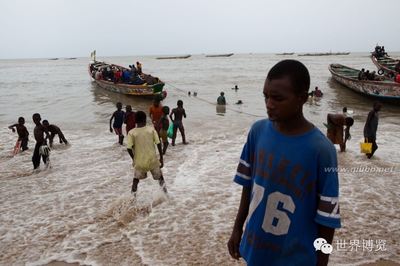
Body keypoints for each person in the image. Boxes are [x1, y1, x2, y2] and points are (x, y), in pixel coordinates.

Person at [227, 60, 341, 266]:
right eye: (266, 96)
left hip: (295, 257)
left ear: (302, 98)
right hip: (255, 250)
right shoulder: (257, 132)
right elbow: (248, 186)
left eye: (278, 98)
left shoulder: (322, 150)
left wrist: (321, 262)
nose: (269, 104)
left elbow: (327, 218)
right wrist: (237, 228)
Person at [126, 111, 167, 194]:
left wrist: (134, 159)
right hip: (152, 160)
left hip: (140, 162)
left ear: (135, 120)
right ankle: (166, 196)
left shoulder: (132, 132)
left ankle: (132, 199)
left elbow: (129, 148)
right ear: (145, 119)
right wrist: (161, 159)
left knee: (135, 181)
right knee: (160, 179)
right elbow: (158, 143)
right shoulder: (151, 130)